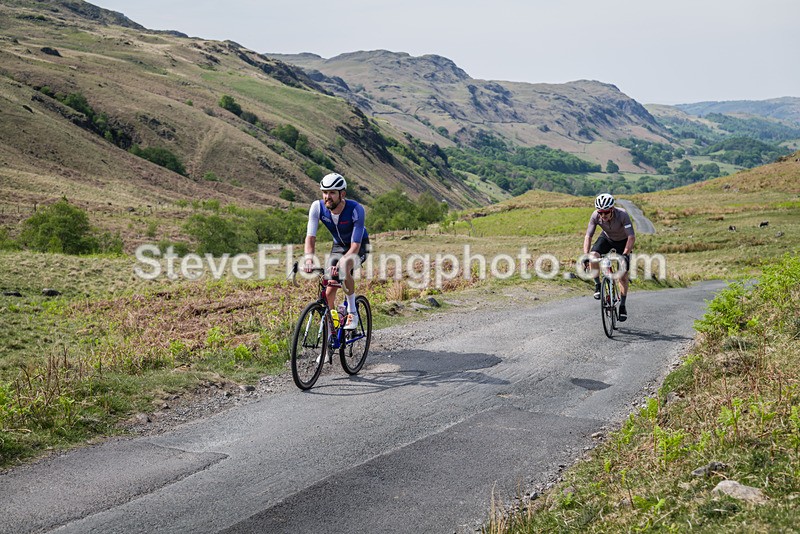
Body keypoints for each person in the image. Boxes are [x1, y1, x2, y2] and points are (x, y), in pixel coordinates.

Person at [304, 172, 370, 330]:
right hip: (339, 246)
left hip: (359, 245)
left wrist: (343, 261)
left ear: (342, 194)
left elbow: (355, 245)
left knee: (344, 267)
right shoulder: (317, 207)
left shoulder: (356, 209)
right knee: (328, 293)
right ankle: (332, 331)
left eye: (332, 193)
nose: (328, 197)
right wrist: (308, 259)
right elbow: (310, 238)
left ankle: (352, 312)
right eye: (325, 192)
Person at [583, 193, 635, 321]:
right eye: (600, 212)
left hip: (623, 241)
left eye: (606, 212)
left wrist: (625, 254)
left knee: (622, 275)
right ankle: (597, 285)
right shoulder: (595, 216)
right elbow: (588, 236)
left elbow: (631, 237)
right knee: (593, 256)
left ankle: (622, 305)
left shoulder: (622, 215)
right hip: (606, 238)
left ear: (612, 209)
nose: (603, 215)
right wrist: (586, 255)